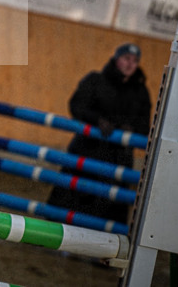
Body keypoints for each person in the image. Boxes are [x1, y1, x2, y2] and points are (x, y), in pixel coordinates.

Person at [47, 42, 152, 225]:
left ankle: (102, 243)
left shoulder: (141, 92)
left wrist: (131, 129)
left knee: (109, 204)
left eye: (135, 61)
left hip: (118, 157)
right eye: (127, 58)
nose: (130, 64)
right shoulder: (95, 80)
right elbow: (76, 105)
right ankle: (54, 233)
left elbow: (145, 125)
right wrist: (97, 121)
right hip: (87, 149)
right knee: (72, 194)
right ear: (117, 58)